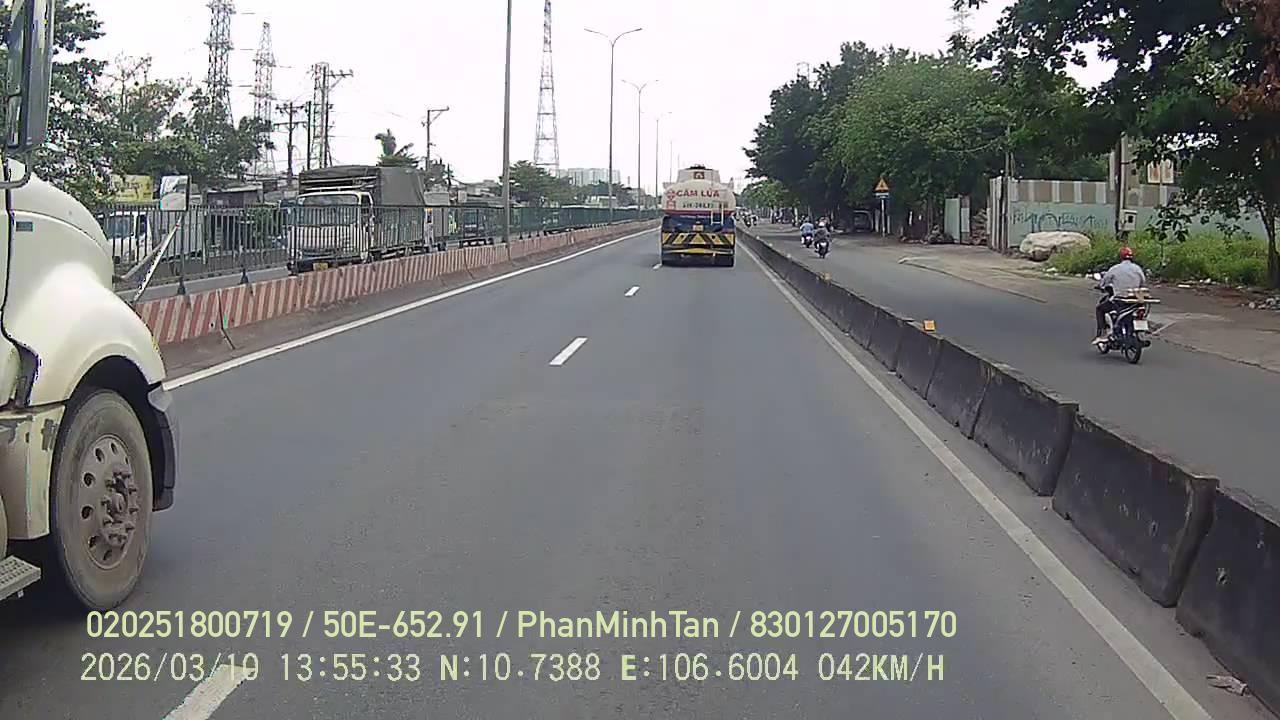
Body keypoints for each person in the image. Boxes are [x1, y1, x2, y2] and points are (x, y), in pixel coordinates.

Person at [1094, 246, 1148, 344]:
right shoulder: (1137, 269)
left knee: (1100, 309)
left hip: (1120, 300)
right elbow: (1143, 283)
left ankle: (1103, 334)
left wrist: (1101, 286)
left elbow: (1104, 282)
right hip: (1135, 301)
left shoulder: (1115, 268)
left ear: (1120, 257)